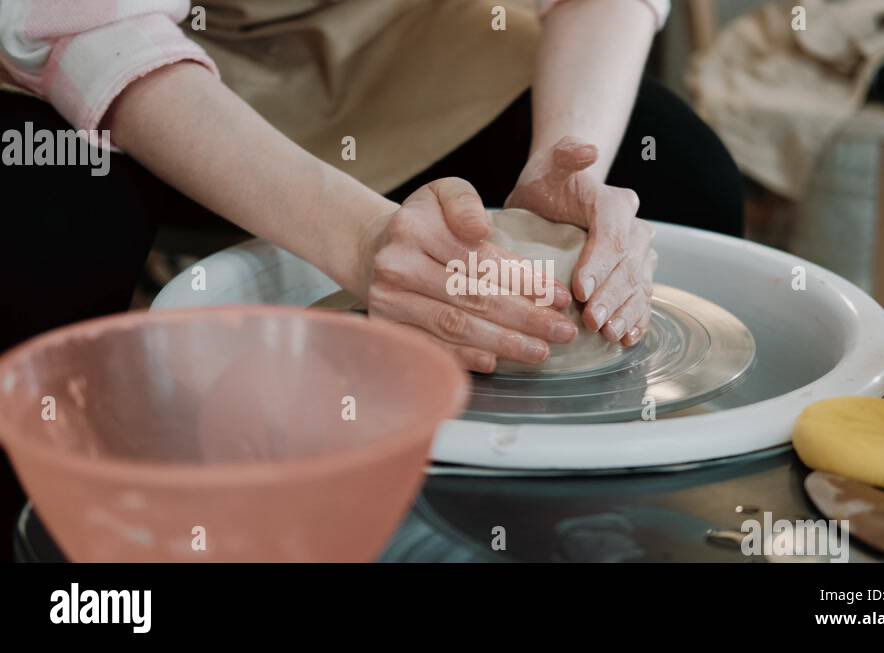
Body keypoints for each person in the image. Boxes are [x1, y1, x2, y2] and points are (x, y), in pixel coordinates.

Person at [0, 0, 742, 558]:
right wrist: (359, 237)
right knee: (36, 233)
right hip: (157, 64)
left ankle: (530, 523)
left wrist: (562, 158)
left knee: (682, 176)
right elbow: (87, 26)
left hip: (401, 41)